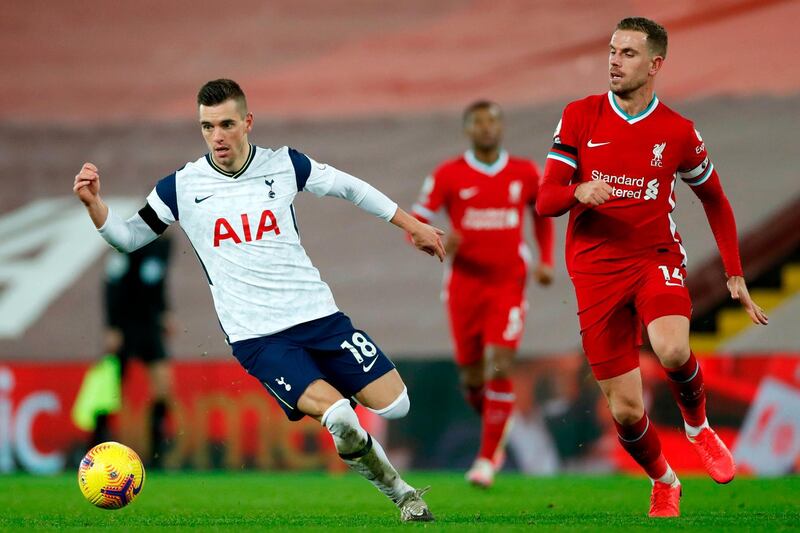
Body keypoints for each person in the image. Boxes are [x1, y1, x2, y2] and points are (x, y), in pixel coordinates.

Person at [73, 79, 445, 522]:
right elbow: (127, 237)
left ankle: (335, 396)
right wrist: (94, 205)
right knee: (341, 418)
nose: (218, 136)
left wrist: (412, 224)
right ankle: (403, 495)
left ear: (247, 122)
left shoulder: (285, 164)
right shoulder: (181, 187)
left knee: (396, 404)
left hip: (322, 318)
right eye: (207, 127)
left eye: (227, 124)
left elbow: (350, 187)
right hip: (260, 338)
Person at [536, 17, 768, 517]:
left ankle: (697, 426)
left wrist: (734, 273)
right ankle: (664, 479)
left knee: (672, 345)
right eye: (613, 51)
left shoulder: (678, 132)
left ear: (655, 64)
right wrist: (576, 190)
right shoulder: (580, 115)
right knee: (624, 409)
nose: (614, 62)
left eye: (628, 54)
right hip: (593, 270)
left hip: (653, 256)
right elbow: (545, 199)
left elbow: (715, 200)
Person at [412, 101, 554, 487]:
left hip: (508, 282)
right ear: (467, 130)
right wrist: (434, 239)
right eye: (478, 122)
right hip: (464, 286)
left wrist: (546, 261)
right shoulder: (449, 174)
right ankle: (496, 422)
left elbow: (541, 214)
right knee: (473, 377)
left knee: (500, 365)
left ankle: (487, 459)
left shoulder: (524, 172)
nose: (487, 128)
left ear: (502, 127)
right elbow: (416, 220)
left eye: (492, 121)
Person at [95, 236, 173, 468]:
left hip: (150, 324)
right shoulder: (128, 239)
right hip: (125, 324)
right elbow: (111, 282)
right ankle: (95, 445)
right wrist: (112, 326)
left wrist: (165, 312)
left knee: (163, 388)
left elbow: (158, 283)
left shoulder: (166, 244)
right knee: (111, 390)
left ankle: (157, 456)